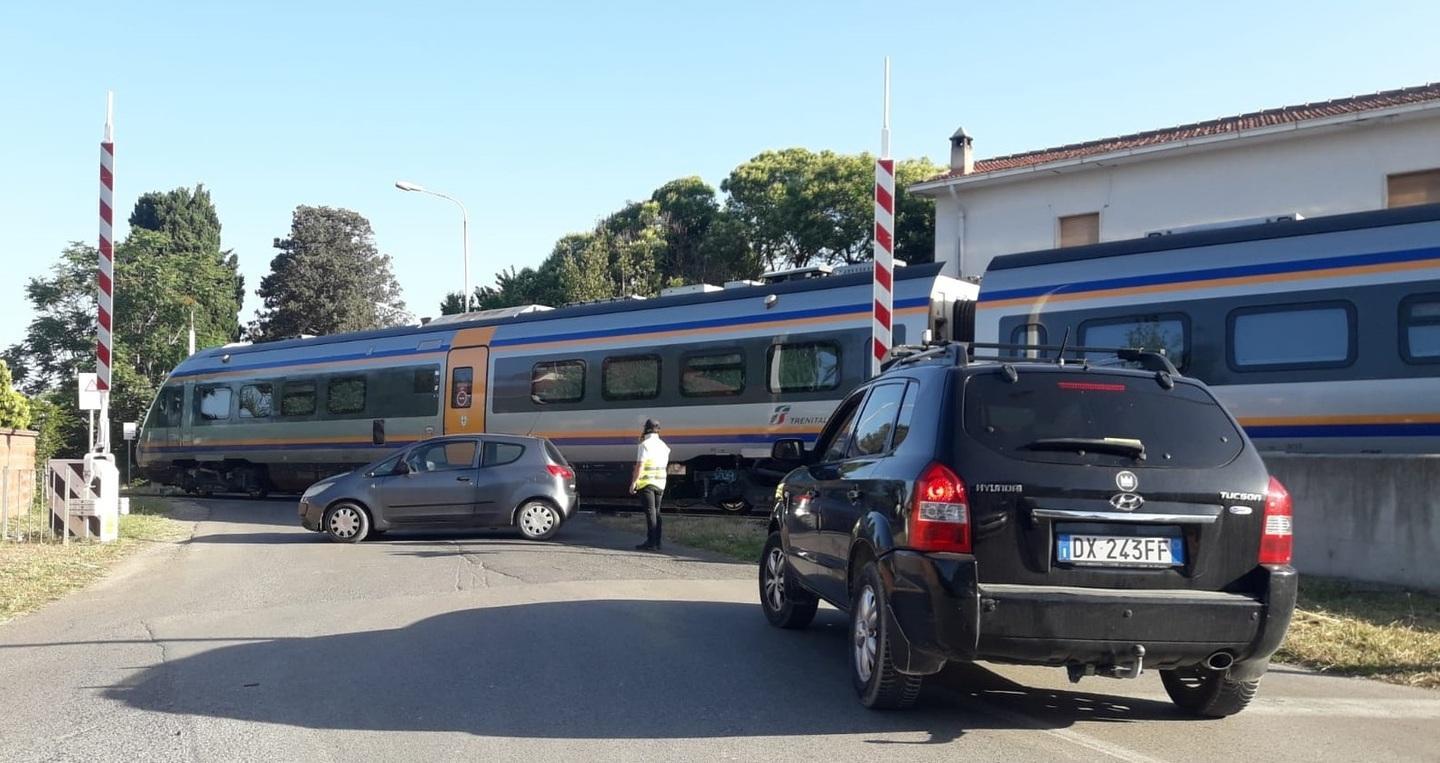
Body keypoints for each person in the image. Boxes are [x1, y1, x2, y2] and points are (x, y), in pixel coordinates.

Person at [630, 418, 670, 551]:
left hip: (647, 482)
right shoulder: (664, 446)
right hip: (660, 482)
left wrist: (634, 482)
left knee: (650, 512)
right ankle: (657, 542)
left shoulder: (645, 445)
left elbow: (640, 465)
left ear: (645, 429)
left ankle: (651, 542)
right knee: (656, 512)